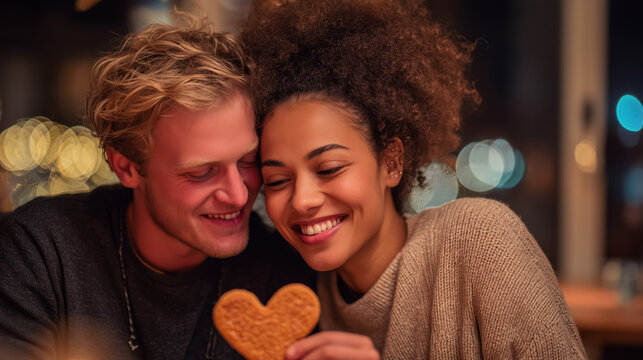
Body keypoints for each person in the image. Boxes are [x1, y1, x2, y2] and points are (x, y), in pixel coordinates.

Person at [241, 0, 588, 359]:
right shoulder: (292, 289)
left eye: (329, 169)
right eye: (278, 180)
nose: (302, 200)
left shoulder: (481, 241)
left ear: (391, 162)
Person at [0, 14, 314, 360]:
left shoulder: (283, 270)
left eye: (247, 161)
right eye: (202, 172)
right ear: (127, 167)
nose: (239, 195)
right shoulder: (41, 253)